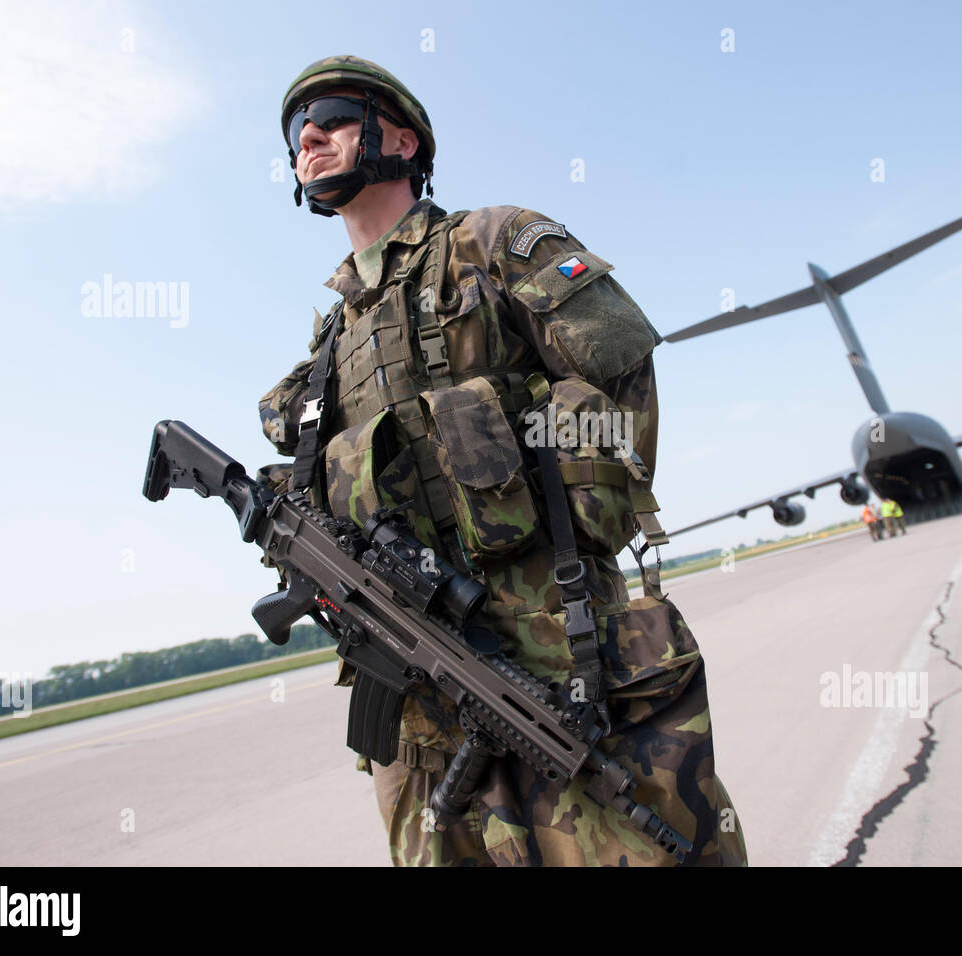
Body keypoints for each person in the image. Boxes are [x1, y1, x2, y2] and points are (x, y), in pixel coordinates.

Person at [256, 56, 746, 867]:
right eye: (296, 132)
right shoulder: (327, 352)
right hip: (412, 694)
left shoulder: (489, 244)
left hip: (552, 641)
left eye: (335, 114)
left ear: (403, 140)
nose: (309, 136)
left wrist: (558, 528)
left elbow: (618, 372)